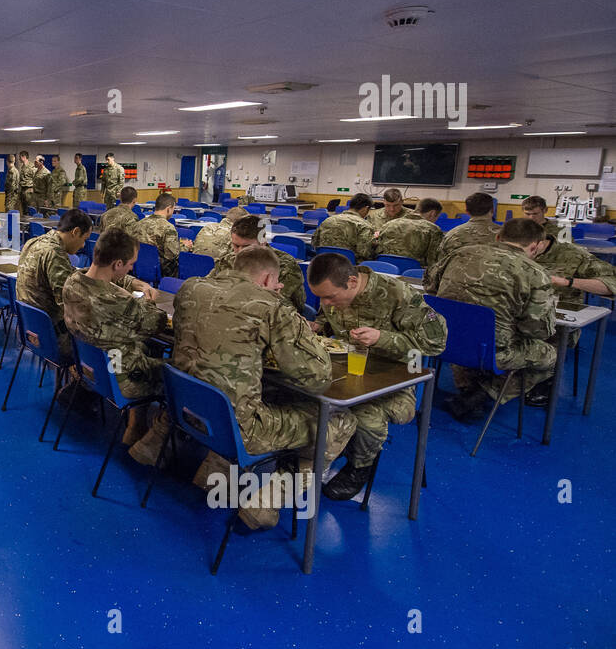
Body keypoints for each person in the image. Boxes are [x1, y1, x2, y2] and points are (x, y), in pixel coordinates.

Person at [172, 246, 357, 530]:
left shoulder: (190, 287)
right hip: (240, 430)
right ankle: (265, 504)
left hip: (188, 409)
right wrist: (290, 318)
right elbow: (316, 377)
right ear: (270, 280)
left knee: (248, 394)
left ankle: (212, 474)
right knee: (341, 421)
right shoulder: (270, 305)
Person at [308, 253, 448, 499]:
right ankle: (323, 450)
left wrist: (381, 338)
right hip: (349, 371)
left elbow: (436, 343)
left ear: (352, 282)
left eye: (330, 297)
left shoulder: (397, 294)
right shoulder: (333, 293)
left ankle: (359, 467)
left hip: (398, 380)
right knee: (301, 390)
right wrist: (318, 326)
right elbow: (328, 320)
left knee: (365, 414)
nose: (326, 303)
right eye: (321, 298)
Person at [425, 218, 557, 421]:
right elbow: (536, 330)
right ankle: (484, 393)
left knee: (474, 342)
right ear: (535, 246)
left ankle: (471, 389)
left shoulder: (460, 254)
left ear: (498, 237)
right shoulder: (536, 273)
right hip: (493, 351)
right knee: (549, 355)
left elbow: (430, 289)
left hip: (444, 340)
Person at [62, 229, 172, 459]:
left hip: (91, 369)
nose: (132, 268)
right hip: (123, 378)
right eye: (130, 264)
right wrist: (149, 302)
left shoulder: (72, 282)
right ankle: (157, 436)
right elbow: (157, 323)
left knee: (141, 349)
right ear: (118, 263)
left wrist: (133, 284)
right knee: (179, 372)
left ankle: (136, 426)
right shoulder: (121, 303)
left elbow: (107, 280)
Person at [529, 228, 616, 403]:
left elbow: (611, 283)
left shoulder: (572, 254)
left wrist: (568, 282)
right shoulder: (509, 251)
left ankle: (541, 379)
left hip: (556, 323)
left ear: (537, 244)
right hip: (521, 318)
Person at [16, 208, 94, 366]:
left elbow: (67, 275)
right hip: (53, 338)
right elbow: (69, 303)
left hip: (29, 328)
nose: (83, 245)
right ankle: (79, 385)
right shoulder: (54, 253)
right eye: (84, 239)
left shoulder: (33, 242)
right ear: (75, 231)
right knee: (105, 341)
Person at [210, 215, 304, 312]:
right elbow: (209, 287)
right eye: (236, 245)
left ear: (262, 243)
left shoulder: (285, 266)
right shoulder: (227, 260)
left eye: (247, 247)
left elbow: (281, 308)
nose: (239, 252)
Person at [129, 193, 188, 279]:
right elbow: (171, 256)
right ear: (168, 209)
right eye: (173, 209)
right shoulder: (168, 228)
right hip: (159, 271)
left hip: (138, 266)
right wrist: (185, 247)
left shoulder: (139, 223)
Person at [375, 197, 444, 269]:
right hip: (413, 272)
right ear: (432, 213)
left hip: (384, 268)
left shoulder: (389, 224)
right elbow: (433, 261)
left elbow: (378, 249)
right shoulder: (433, 229)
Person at [311, 192, 375, 262]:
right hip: (349, 266)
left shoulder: (328, 220)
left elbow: (314, 243)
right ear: (366, 208)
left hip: (324, 263)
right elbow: (365, 253)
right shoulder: (364, 225)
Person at [436, 191, 498, 260]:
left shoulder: (452, 234)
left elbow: (440, 261)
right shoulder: (505, 235)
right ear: (492, 210)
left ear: (467, 212)